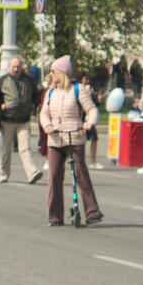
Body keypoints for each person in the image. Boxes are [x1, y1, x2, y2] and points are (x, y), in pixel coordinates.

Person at [39, 57, 103, 225]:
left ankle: (92, 212)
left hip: (74, 136)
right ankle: (54, 216)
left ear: (62, 73)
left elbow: (92, 110)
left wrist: (90, 122)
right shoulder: (50, 92)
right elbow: (44, 113)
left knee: (80, 174)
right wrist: (47, 126)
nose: (51, 74)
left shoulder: (77, 89)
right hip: (55, 138)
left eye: (54, 71)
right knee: (54, 176)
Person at [0, 56, 43, 184]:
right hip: (8, 120)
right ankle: (3, 174)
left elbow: (37, 94)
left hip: (24, 120)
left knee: (25, 148)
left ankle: (32, 173)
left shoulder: (28, 80)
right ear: (10, 67)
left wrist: (34, 104)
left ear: (22, 67)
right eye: (14, 67)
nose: (16, 69)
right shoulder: (3, 80)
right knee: (6, 149)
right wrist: (1, 106)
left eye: (18, 67)